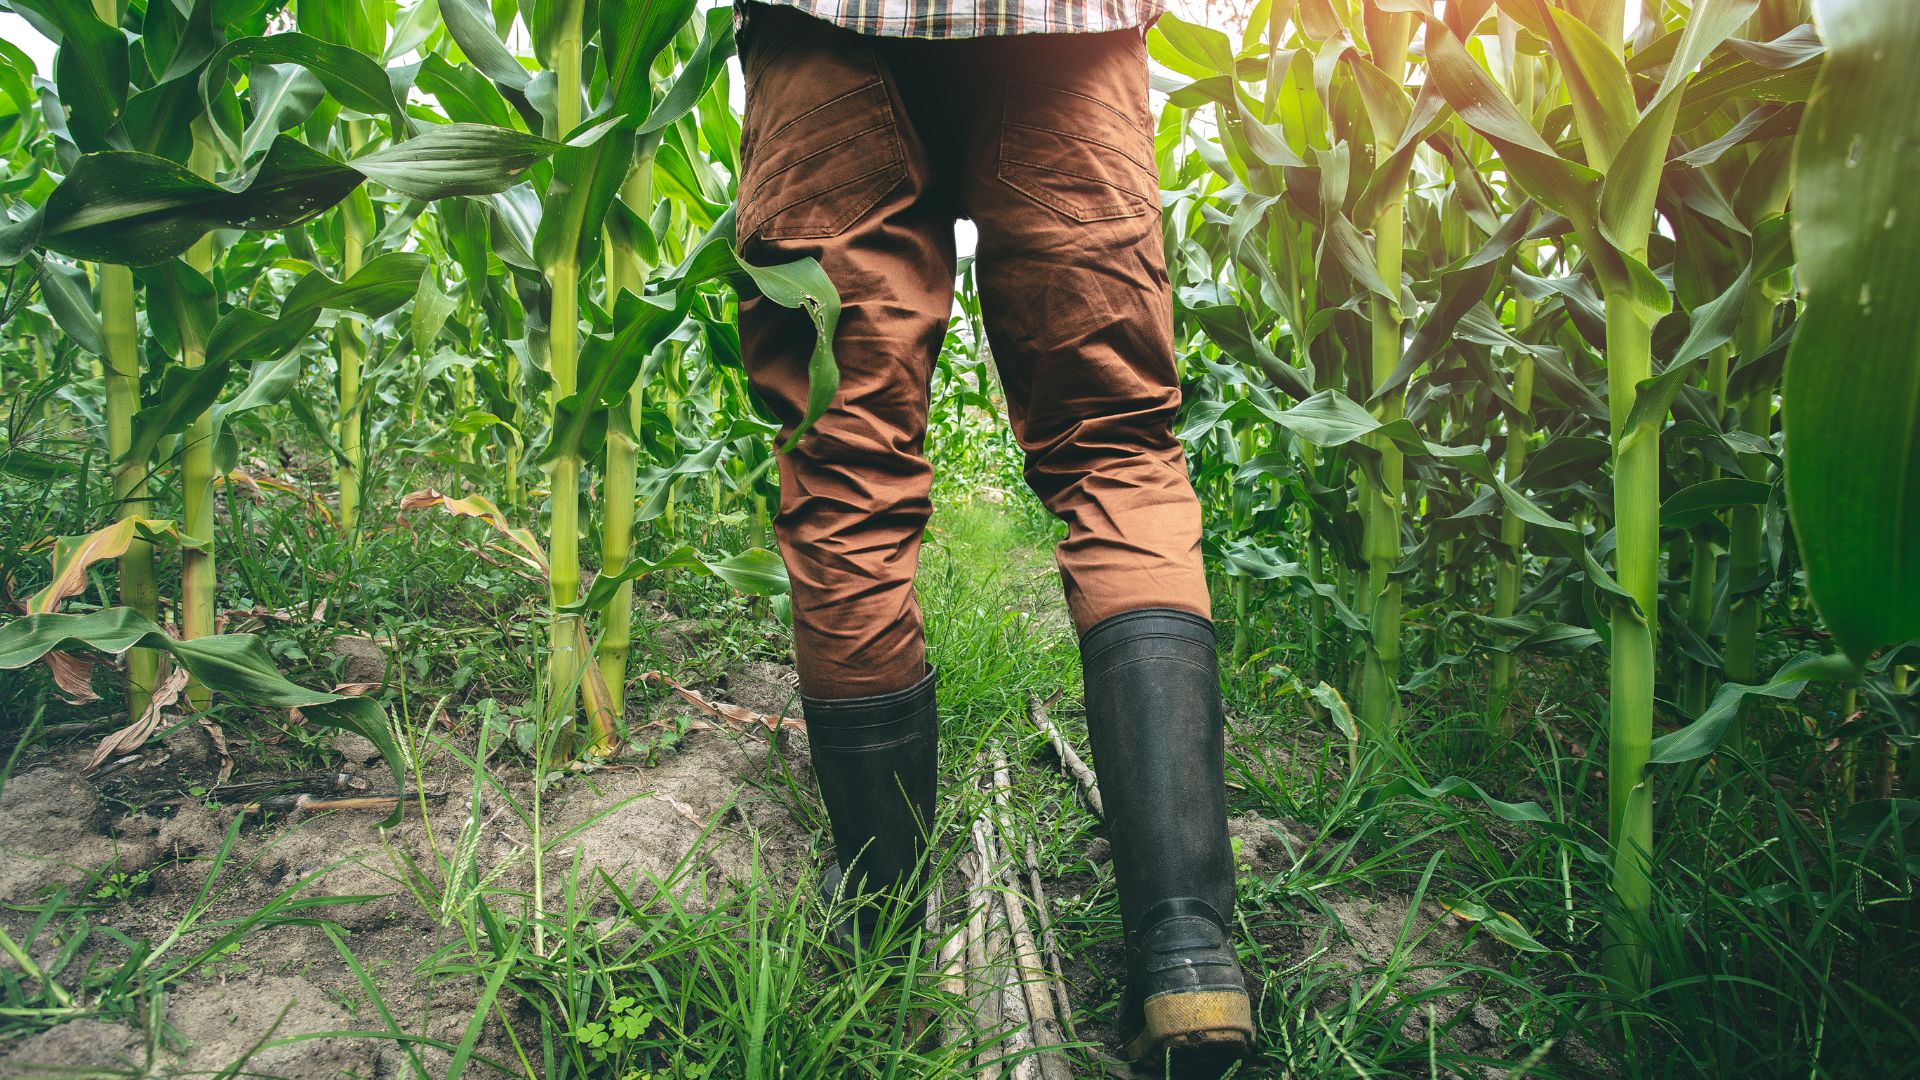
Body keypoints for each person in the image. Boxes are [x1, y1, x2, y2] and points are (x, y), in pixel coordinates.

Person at [731, 0, 1253, 1067]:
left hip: (826, 29)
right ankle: (1186, 952)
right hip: (1064, 23)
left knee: (846, 463)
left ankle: (878, 913)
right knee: (1117, 445)